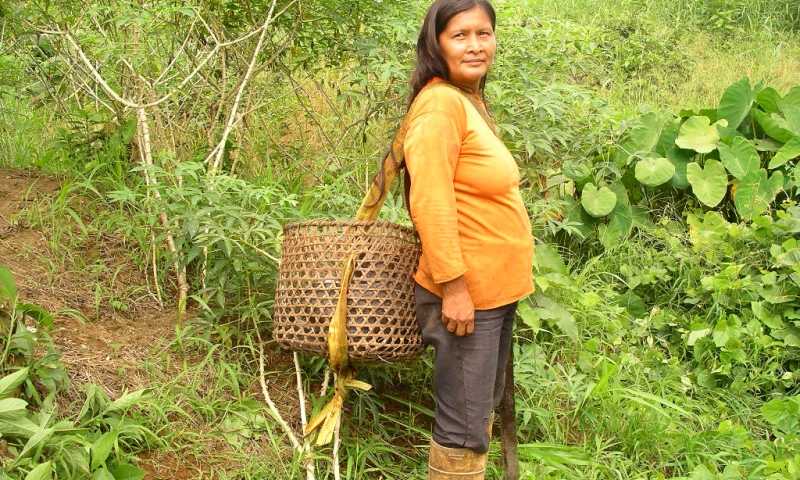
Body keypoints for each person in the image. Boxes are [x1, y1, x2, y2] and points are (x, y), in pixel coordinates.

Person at [401, 0, 535, 478]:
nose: (475, 45)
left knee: (475, 417)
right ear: (436, 45)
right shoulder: (439, 104)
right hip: (467, 296)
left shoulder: (466, 100)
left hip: (491, 293)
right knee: (462, 427)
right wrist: (454, 287)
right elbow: (430, 200)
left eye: (484, 33)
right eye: (460, 35)